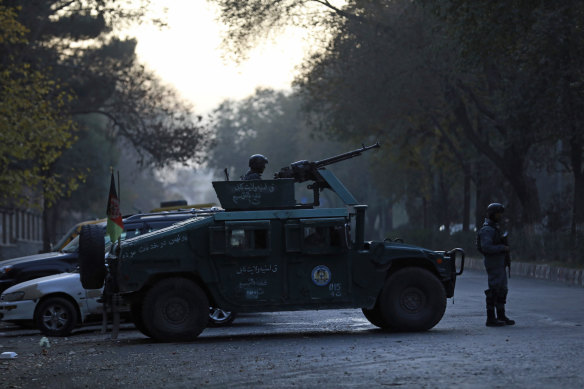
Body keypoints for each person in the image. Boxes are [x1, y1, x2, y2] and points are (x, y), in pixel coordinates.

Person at [477, 203, 515, 327]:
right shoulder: (487, 229)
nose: (500, 216)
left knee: (502, 289)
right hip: (493, 263)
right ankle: (491, 318)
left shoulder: (494, 228)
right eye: (498, 213)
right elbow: (486, 247)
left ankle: (501, 315)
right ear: (492, 214)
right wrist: (502, 248)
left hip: (500, 263)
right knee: (494, 289)